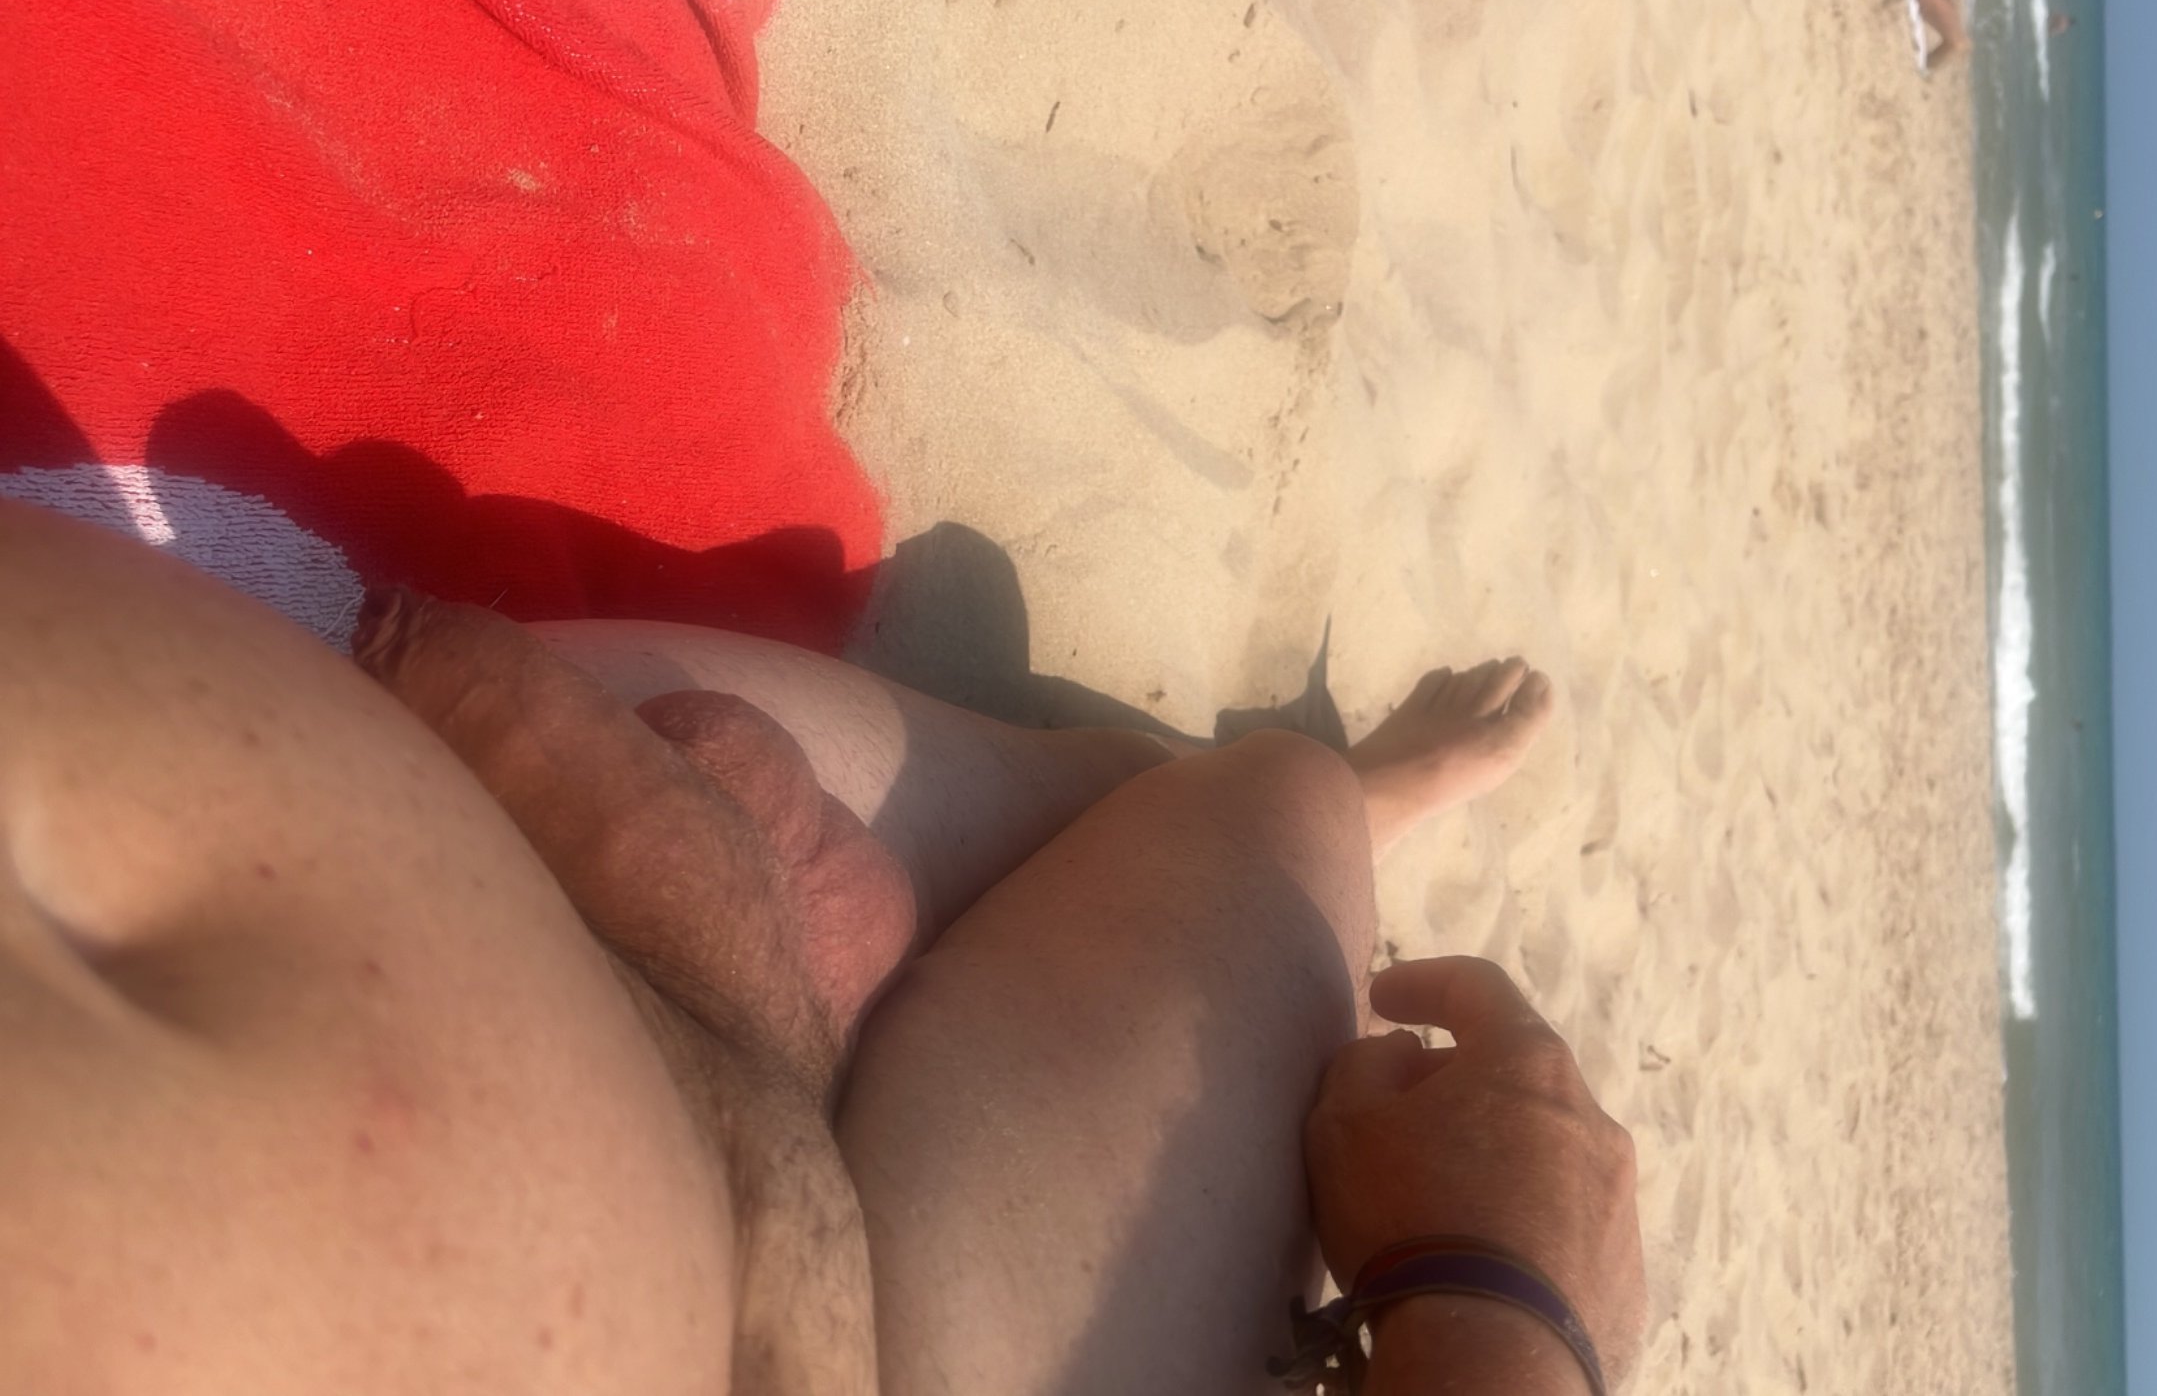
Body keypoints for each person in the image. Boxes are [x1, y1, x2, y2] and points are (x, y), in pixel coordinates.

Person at [0, 499, 1644, 1393]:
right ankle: (1272, 797)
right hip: (814, 1271)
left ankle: (1150, 794)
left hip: (612, 991)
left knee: (1181, 820)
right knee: (1274, 824)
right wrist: (1504, 1325)